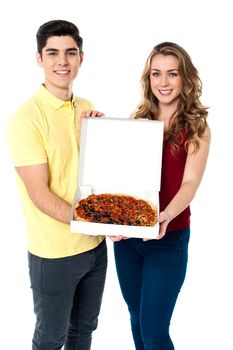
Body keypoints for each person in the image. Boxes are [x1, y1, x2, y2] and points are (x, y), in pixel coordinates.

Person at [7, 20, 107, 350]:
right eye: (53, 53)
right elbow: (40, 194)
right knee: (51, 338)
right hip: (54, 255)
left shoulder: (87, 108)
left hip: (94, 248)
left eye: (70, 53)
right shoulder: (25, 119)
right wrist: (93, 221)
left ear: (81, 58)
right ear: (39, 58)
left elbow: (97, 177)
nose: (62, 61)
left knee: (84, 330)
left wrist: (91, 138)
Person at [112, 42, 211, 349]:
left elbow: (190, 183)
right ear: (148, 78)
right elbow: (123, 179)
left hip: (169, 238)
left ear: (185, 78)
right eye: (156, 74)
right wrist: (114, 223)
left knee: (154, 329)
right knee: (136, 319)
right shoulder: (137, 120)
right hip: (129, 240)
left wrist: (165, 214)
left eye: (172, 74)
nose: (163, 82)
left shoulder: (197, 127)